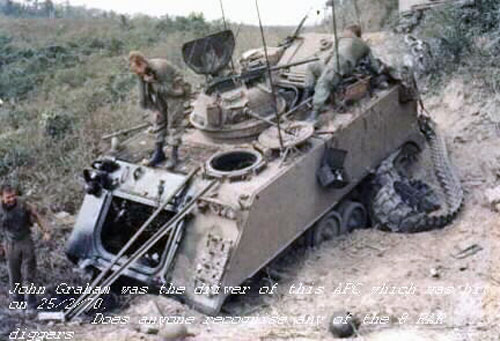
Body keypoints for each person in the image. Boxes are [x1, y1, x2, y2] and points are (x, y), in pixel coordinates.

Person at [129, 51, 191, 169]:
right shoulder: (142, 73)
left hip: (175, 92)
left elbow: (171, 90)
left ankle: (174, 155)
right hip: (159, 92)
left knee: (174, 122)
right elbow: (142, 95)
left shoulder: (161, 68)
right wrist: (153, 109)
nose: (137, 74)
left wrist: (153, 82)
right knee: (160, 120)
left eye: (137, 70)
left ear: (142, 63)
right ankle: (159, 153)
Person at [309, 24, 382, 122]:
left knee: (324, 82)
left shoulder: (350, 42)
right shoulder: (348, 42)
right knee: (312, 67)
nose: (345, 33)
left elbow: (330, 57)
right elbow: (374, 66)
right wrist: (379, 70)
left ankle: (314, 115)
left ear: (352, 32)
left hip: (340, 67)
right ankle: (307, 93)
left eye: (347, 31)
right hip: (335, 66)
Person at [0, 184, 50, 308]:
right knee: (14, 273)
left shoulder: (23, 204)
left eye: (13, 196)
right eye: (8, 197)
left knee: (29, 272)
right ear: (1, 197)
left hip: (25, 239)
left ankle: (31, 301)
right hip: (10, 242)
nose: (11, 199)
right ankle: (18, 301)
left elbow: (37, 216)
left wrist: (46, 231)